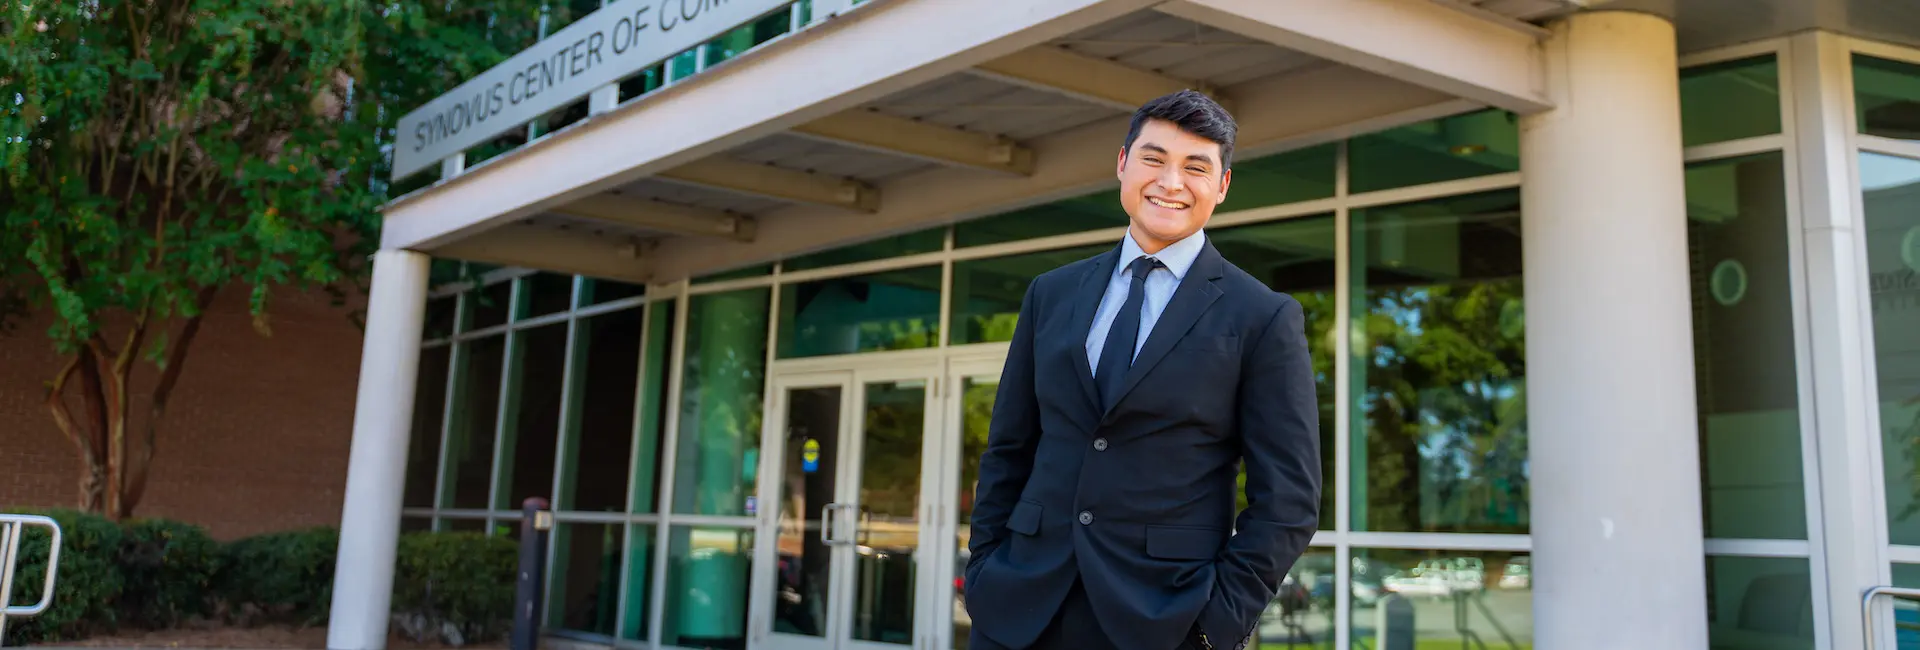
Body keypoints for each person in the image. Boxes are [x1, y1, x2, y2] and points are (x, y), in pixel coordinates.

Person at [962, 90, 1321, 650]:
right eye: (1154, 158)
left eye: (1196, 167)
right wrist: (984, 565)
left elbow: (1290, 500)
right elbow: (1009, 446)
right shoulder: (1050, 294)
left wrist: (1216, 624)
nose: (1170, 182)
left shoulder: (1263, 317)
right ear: (1123, 163)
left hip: (1165, 620)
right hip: (1017, 609)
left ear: (1221, 187)